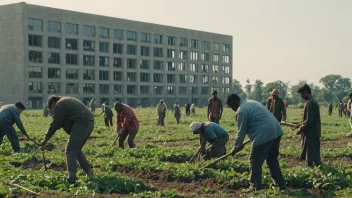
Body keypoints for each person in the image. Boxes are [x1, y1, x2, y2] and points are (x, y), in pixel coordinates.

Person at [226, 93, 286, 192]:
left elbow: (241, 131)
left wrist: (236, 146)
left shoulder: (241, 111)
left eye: (232, 106)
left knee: (254, 160)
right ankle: (281, 184)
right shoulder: (251, 102)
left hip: (264, 133)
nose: (233, 109)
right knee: (272, 159)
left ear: (234, 102)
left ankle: (255, 186)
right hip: (276, 130)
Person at [40, 96, 94, 184]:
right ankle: (89, 173)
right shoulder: (66, 100)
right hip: (89, 122)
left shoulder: (60, 104)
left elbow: (55, 123)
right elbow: (63, 122)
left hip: (82, 123)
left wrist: (46, 138)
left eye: (52, 108)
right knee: (76, 150)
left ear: (53, 103)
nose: (53, 111)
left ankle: (71, 178)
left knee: (70, 150)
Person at [296, 84, 322, 167]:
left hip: (311, 132)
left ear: (306, 92)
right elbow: (308, 119)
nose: (301, 96)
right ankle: (319, 167)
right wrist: (300, 124)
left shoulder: (311, 103)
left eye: (302, 94)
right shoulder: (312, 101)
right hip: (314, 131)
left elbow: (310, 120)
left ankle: (310, 168)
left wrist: (301, 129)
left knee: (310, 153)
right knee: (315, 152)